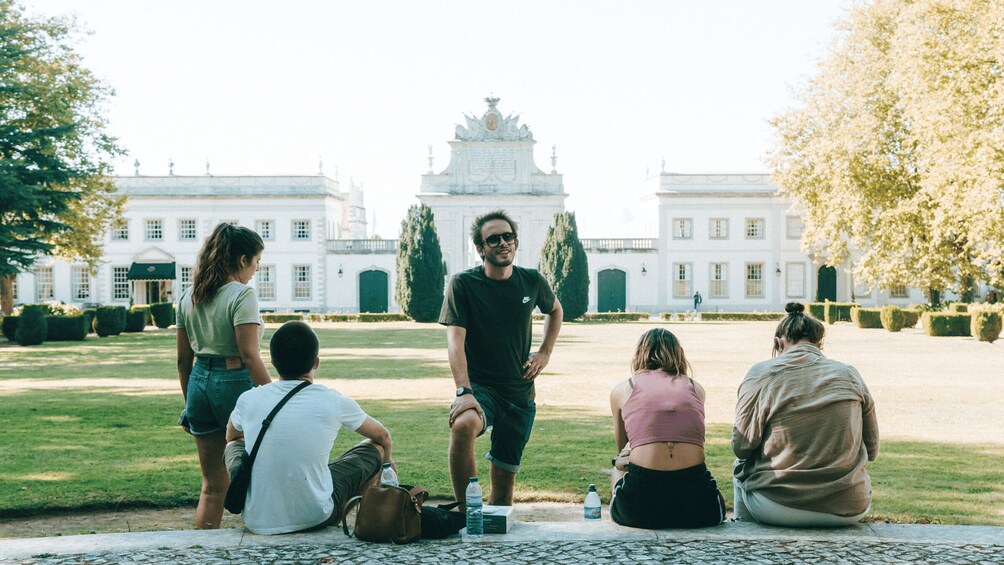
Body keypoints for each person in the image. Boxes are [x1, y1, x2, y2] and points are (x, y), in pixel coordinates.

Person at [440, 210, 563, 508]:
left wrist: (545, 352)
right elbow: (455, 341)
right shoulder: (463, 284)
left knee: (503, 497)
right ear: (481, 249)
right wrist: (464, 392)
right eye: (493, 239)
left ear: (516, 243)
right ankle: (465, 512)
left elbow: (555, 310)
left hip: (520, 394)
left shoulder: (532, 281)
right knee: (463, 424)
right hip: (482, 389)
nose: (502, 243)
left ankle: (495, 541)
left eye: (508, 236)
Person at [225, 321, 392, 535]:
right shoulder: (332, 399)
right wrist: (387, 466)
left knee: (234, 445)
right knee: (376, 447)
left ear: (274, 362)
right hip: (316, 514)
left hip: (257, 520)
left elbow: (232, 437)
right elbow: (383, 436)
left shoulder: (248, 399)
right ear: (316, 362)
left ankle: (256, 492)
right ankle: (362, 517)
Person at [732, 301, 879, 527]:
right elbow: (872, 449)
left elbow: (741, 447)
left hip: (777, 505)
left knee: (738, 466)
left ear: (778, 343)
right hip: (849, 505)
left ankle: (746, 536)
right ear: (819, 344)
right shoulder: (849, 374)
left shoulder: (761, 373)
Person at [176, 222, 272, 529]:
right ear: (242, 260)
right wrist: (275, 397)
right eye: (256, 262)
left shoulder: (188, 296)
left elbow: (182, 359)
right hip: (235, 384)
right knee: (259, 476)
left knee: (212, 485)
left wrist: (190, 402)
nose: (256, 269)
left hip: (198, 386)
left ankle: (203, 554)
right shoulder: (242, 296)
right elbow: (249, 354)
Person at [608, 328, 725, 529]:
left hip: (638, 509)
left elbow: (623, 451)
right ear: (678, 354)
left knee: (617, 468)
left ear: (640, 354)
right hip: (700, 509)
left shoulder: (623, 389)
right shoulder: (696, 388)